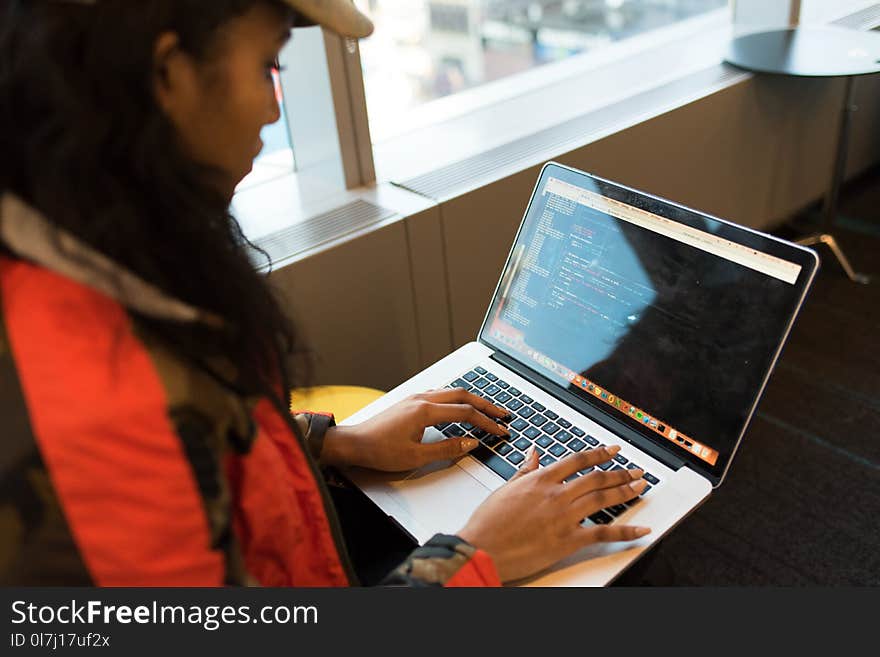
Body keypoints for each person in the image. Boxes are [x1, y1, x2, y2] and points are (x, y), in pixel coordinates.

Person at [0, 0, 651, 587]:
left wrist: (330, 444)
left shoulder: (96, 252)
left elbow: (217, 451)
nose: (273, 108)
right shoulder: (110, 424)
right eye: (266, 68)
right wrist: (475, 556)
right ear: (169, 76)